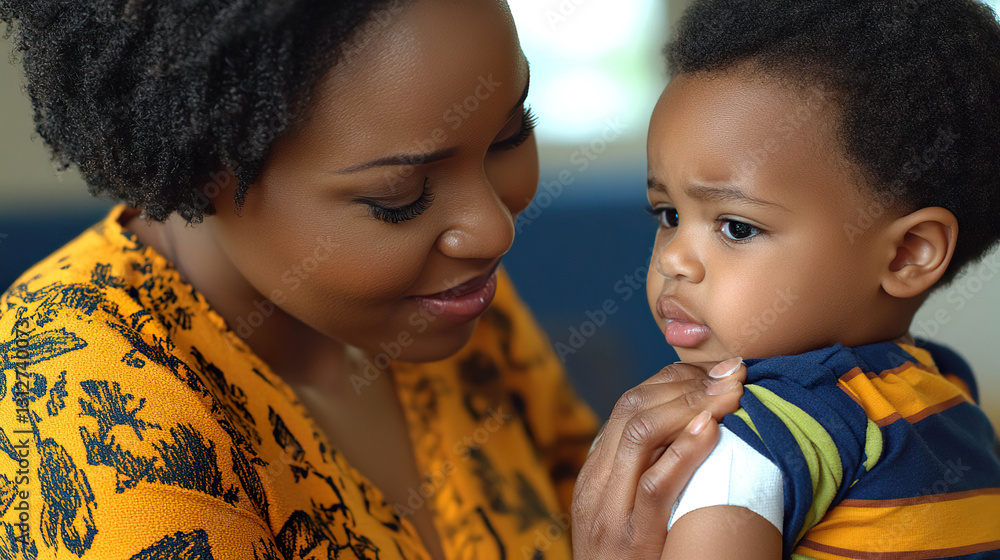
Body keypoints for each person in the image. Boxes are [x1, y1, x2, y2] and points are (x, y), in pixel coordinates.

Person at [0, 1, 747, 558]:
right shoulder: (92, 423)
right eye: (399, 197)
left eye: (511, 133)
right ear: (206, 170)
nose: (494, 230)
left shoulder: (447, 299)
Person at [644, 0, 1000, 558]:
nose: (674, 261)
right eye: (668, 215)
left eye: (736, 226)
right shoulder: (742, 447)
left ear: (908, 253)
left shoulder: (746, 444)